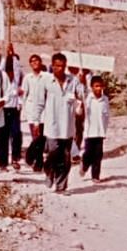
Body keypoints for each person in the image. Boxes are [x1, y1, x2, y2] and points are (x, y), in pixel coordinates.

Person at [42, 53, 82, 193]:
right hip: (52, 126)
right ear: (52, 66)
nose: (60, 68)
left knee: (65, 157)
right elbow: (41, 102)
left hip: (67, 127)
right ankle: (49, 174)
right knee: (53, 154)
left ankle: (61, 186)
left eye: (63, 66)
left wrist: (82, 84)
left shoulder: (73, 80)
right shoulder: (46, 80)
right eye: (57, 66)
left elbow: (81, 96)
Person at [0, 45, 24, 170]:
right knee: (3, 136)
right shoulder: (1, 79)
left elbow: (17, 66)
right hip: (3, 110)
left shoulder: (16, 80)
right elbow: (0, 68)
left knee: (16, 134)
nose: (11, 73)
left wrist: (12, 54)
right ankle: (3, 163)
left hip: (14, 110)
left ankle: (15, 158)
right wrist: (7, 55)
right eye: (9, 71)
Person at [21, 53, 48, 172]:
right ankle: (39, 162)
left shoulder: (46, 76)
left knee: (41, 137)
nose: (34, 63)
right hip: (32, 110)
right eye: (32, 61)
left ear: (40, 62)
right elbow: (24, 94)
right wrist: (24, 109)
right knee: (35, 135)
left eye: (36, 60)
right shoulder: (28, 78)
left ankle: (31, 155)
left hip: (44, 110)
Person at [83, 75, 111, 182]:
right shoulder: (87, 99)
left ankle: (95, 176)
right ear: (92, 87)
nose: (99, 88)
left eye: (100, 86)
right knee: (88, 153)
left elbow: (107, 115)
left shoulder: (105, 100)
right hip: (90, 132)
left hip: (100, 132)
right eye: (96, 86)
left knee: (98, 155)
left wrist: (105, 128)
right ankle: (84, 165)